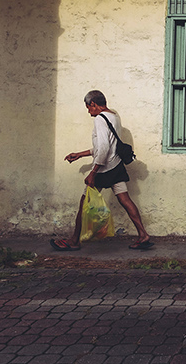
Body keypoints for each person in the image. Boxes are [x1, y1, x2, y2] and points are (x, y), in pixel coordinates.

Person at [51, 90, 153, 251]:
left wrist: (93, 172)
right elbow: (104, 146)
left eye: (88, 108)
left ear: (93, 104)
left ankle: (74, 240)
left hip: (104, 168)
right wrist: (80, 154)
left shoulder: (100, 119)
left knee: (84, 202)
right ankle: (143, 235)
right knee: (125, 199)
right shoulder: (114, 116)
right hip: (116, 165)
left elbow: (104, 147)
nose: (89, 112)